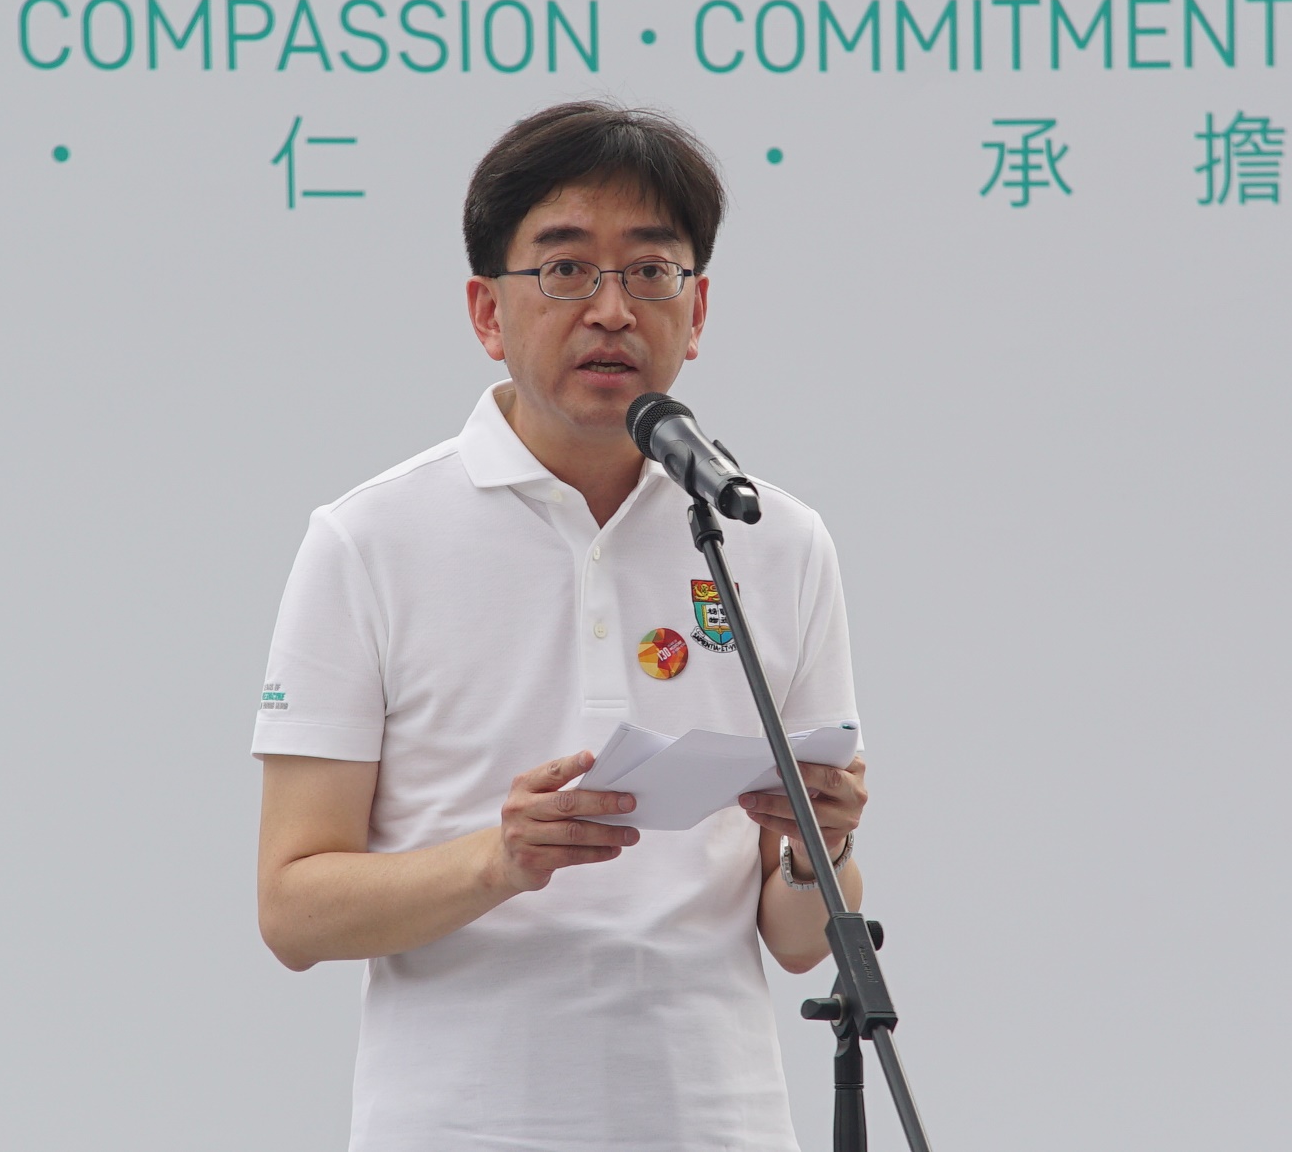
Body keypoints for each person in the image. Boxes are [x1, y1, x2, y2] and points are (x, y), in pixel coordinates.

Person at [251, 100, 870, 1152]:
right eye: (567, 268)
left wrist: (822, 847)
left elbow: (801, 940)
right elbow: (293, 909)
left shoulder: (771, 537)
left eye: (650, 270)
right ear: (487, 311)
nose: (612, 309)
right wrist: (499, 859)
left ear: (698, 310)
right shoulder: (368, 540)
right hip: (457, 1126)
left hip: (716, 1123)